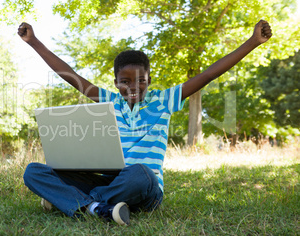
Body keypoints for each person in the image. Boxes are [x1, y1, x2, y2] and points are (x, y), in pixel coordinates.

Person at [19, 20, 272, 225]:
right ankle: (96, 207)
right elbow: (71, 76)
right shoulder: (107, 101)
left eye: (141, 80)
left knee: (141, 173)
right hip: (109, 182)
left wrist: (252, 42)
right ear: (116, 81)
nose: (133, 87)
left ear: (149, 79)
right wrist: (34, 42)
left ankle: (73, 201)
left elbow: (208, 74)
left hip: (143, 188)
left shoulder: (164, 101)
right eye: (125, 81)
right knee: (34, 171)